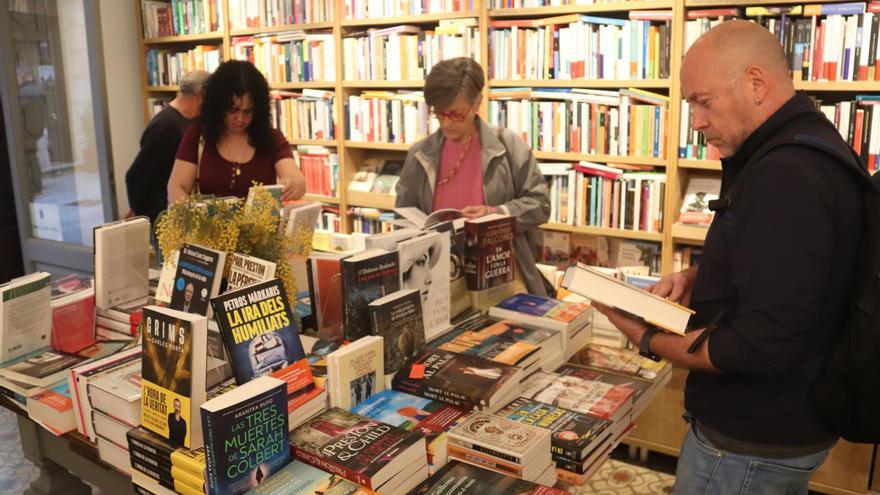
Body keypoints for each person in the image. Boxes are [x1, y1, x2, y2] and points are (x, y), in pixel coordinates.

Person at [592, 21, 865, 494]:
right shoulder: (798, 143)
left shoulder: (788, 174)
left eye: (703, 101)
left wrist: (646, 335)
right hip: (781, 424)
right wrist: (702, 274)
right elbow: (789, 270)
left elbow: (760, 346)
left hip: (750, 442)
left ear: (756, 84)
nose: (695, 121)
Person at [395, 57, 551, 296]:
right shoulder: (420, 154)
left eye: (456, 114)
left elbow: (540, 205)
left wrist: (496, 213)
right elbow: (403, 215)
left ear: (477, 102)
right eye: (439, 113)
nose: (446, 123)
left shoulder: (507, 146)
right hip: (440, 277)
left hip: (500, 275)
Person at [167, 60, 306, 202]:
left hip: (259, 224)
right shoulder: (199, 134)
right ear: (217, 105)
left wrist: (293, 184)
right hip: (208, 223)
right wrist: (193, 217)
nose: (240, 119)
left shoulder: (272, 137)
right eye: (233, 110)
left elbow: (297, 180)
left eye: (248, 111)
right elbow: (176, 186)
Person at [126, 70, 209, 225]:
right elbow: (135, 176)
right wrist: (142, 215)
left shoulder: (189, 120)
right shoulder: (166, 126)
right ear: (201, 97)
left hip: (173, 212)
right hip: (161, 216)